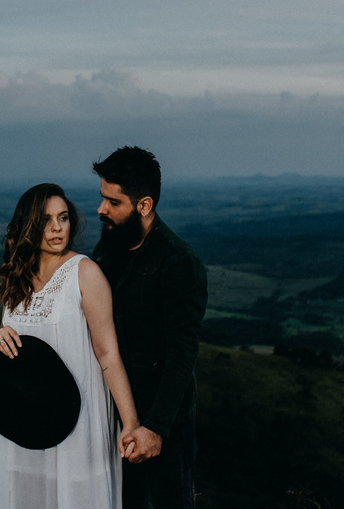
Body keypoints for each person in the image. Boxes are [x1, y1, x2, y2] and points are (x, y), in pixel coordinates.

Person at [0, 183, 141, 509]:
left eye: (63, 217)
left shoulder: (85, 273)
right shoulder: (16, 277)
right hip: (23, 424)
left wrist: (130, 423)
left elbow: (108, 353)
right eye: (46, 220)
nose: (57, 228)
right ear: (29, 225)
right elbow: (17, 348)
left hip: (78, 423)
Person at [90, 147, 208, 509]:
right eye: (102, 198)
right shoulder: (108, 247)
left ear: (144, 205)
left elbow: (181, 358)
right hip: (109, 416)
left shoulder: (178, 263)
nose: (101, 210)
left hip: (163, 426)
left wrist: (154, 430)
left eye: (113, 202)